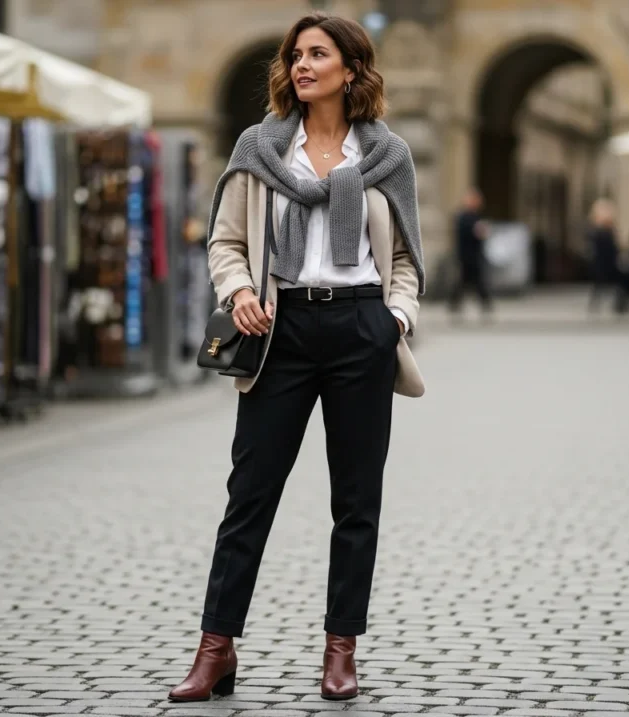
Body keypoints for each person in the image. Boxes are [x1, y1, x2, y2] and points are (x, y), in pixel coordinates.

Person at [169, 12, 425, 703]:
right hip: (277, 331)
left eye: (318, 53)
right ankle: (214, 649)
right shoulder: (260, 148)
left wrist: (393, 317)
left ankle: (340, 649)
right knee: (249, 497)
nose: (302, 65)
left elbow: (403, 258)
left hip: (359, 329)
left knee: (356, 501)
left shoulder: (387, 156)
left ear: (351, 68)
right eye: (296, 55)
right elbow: (224, 242)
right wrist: (239, 286)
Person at [448, 187, 492, 316]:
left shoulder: (473, 216)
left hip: (473, 255)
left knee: (469, 282)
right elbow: (476, 232)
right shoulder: (464, 217)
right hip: (467, 256)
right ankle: (456, 303)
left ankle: (456, 303)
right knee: (470, 281)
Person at [586, 198, 626, 314]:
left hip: (607, 265)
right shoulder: (599, 232)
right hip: (603, 266)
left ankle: (620, 304)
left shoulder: (606, 231)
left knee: (623, 279)